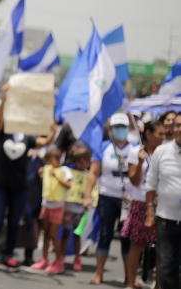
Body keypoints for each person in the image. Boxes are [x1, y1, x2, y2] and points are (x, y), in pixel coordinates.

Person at [0, 85, 48, 272]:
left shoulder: (27, 137)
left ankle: (8, 255)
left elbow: (46, 141)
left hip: (19, 188)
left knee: (13, 223)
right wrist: (5, 96)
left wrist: (51, 125)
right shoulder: (3, 131)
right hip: (0, 186)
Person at [84, 113, 139, 285]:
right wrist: (87, 195)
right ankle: (99, 273)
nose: (120, 130)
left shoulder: (136, 148)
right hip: (106, 197)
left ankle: (129, 277)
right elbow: (93, 172)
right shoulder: (103, 148)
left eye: (123, 127)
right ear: (111, 129)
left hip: (128, 200)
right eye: (117, 127)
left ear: (129, 128)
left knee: (126, 238)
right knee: (105, 234)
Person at [122, 120, 164, 289]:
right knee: (137, 243)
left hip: (161, 204)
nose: (162, 137)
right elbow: (134, 180)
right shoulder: (135, 152)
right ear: (148, 133)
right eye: (159, 134)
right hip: (140, 202)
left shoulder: (164, 152)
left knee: (162, 247)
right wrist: (139, 163)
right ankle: (131, 283)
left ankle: (159, 285)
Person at [145, 113, 181, 289]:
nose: (180, 129)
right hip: (166, 220)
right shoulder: (162, 151)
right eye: (178, 125)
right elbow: (150, 183)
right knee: (167, 267)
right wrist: (149, 212)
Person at [30, 147, 72, 274]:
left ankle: (59, 261)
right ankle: (44, 260)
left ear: (58, 159)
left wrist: (56, 175)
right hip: (46, 205)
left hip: (58, 207)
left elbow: (69, 185)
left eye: (51, 160)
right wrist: (42, 176)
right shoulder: (47, 169)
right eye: (47, 160)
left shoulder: (65, 170)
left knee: (54, 235)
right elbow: (48, 185)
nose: (48, 162)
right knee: (46, 234)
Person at [59, 144, 92, 272]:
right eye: (87, 161)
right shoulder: (68, 171)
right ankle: (60, 257)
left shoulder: (88, 175)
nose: (88, 163)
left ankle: (77, 258)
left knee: (77, 236)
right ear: (79, 161)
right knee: (65, 234)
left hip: (81, 211)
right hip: (69, 209)